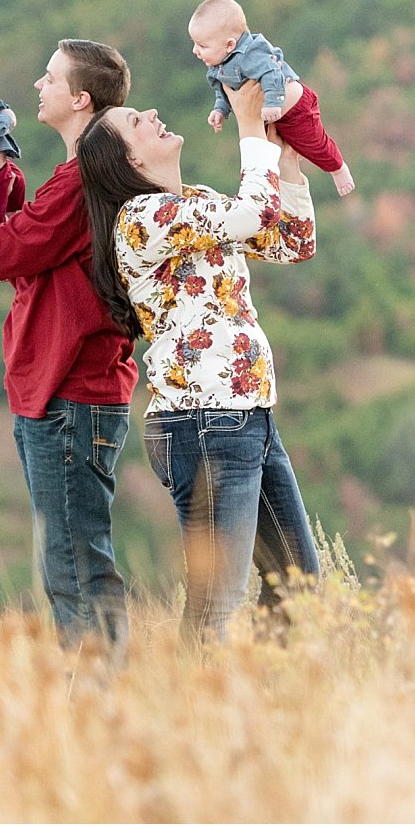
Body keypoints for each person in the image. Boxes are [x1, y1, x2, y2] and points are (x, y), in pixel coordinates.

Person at [75, 77, 321, 642]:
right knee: (220, 602)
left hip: (247, 416)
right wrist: (249, 128)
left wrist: (287, 164)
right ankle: (194, 716)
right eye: (137, 122)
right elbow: (253, 217)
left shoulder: (201, 204)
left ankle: (267, 705)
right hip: (203, 422)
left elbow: (291, 242)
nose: (153, 113)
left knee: (297, 582)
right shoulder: (141, 219)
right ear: (127, 161)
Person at [0, 38, 138, 654]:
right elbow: (27, 258)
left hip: (67, 397)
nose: (35, 85)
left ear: (79, 99)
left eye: (50, 78)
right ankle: (98, 698)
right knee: (76, 564)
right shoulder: (78, 180)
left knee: (74, 570)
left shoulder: (80, 183)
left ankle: (96, 707)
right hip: (65, 394)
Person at [189, 0, 356, 196]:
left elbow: (272, 72)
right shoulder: (217, 66)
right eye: (195, 44)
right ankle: (277, 198)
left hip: (295, 109)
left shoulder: (251, 54)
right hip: (268, 117)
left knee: (313, 144)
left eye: (202, 45)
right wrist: (220, 109)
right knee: (269, 157)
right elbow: (223, 91)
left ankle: (338, 169)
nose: (195, 51)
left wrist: (272, 101)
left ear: (230, 44)